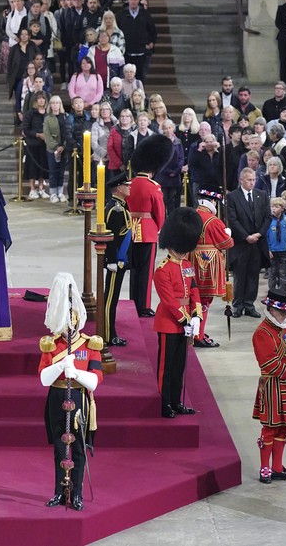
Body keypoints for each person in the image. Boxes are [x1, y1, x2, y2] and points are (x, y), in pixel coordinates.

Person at [38, 272, 102, 511]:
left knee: (77, 448)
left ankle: (76, 494)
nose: (69, 328)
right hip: (56, 397)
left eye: (71, 322)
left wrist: (76, 373)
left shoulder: (89, 343)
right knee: (58, 446)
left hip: (79, 398)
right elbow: (44, 379)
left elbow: (95, 381)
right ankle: (58, 491)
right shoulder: (51, 344)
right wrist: (59, 367)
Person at [252, 288, 286, 483]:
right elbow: (269, 364)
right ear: (271, 309)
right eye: (281, 311)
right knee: (270, 428)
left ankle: (277, 467)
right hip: (273, 387)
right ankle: (265, 467)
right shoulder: (262, 332)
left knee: (284, 429)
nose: (284, 315)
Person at [153, 207, 202, 418]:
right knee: (167, 367)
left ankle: (176, 401)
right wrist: (186, 319)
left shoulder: (187, 265)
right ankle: (164, 403)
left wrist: (197, 315)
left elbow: (194, 290)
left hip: (186, 322)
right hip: (169, 322)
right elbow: (169, 301)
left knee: (180, 365)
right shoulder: (162, 270)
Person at [126, 135, 171, 317]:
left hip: (131, 229)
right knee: (146, 270)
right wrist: (160, 228)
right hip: (148, 230)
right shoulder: (153, 186)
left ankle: (132, 300)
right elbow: (159, 212)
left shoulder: (129, 183)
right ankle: (143, 305)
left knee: (134, 269)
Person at [189, 187, 233, 349]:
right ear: (212, 202)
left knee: (193, 297)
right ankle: (198, 335)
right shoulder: (213, 221)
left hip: (191, 260)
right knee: (204, 300)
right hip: (209, 264)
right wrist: (227, 234)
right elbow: (226, 243)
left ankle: (195, 330)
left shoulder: (190, 216)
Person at [227, 168, 270, 318]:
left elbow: (267, 217)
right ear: (241, 180)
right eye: (249, 180)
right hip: (240, 244)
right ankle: (238, 305)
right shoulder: (232, 197)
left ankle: (249, 304)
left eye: (253, 180)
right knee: (240, 276)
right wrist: (246, 236)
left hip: (257, 243)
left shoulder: (262, 195)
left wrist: (258, 234)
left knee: (253, 275)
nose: (252, 182)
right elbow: (232, 220)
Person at [103, 171, 131, 346]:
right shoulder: (115, 209)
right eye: (127, 185)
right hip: (116, 261)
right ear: (119, 188)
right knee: (110, 300)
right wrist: (111, 260)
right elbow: (111, 236)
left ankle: (111, 332)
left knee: (113, 298)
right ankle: (108, 334)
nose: (129, 188)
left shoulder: (121, 205)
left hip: (122, 259)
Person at [115, 0, 155, 82]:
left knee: (140, 75)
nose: (133, 1)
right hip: (126, 51)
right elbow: (117, 30)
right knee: (125, 75)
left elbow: (152, 30)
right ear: (128, 1)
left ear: (139, 1)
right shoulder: (121, 14)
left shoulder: (145, 14)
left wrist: (150, 42)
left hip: (141, 51)